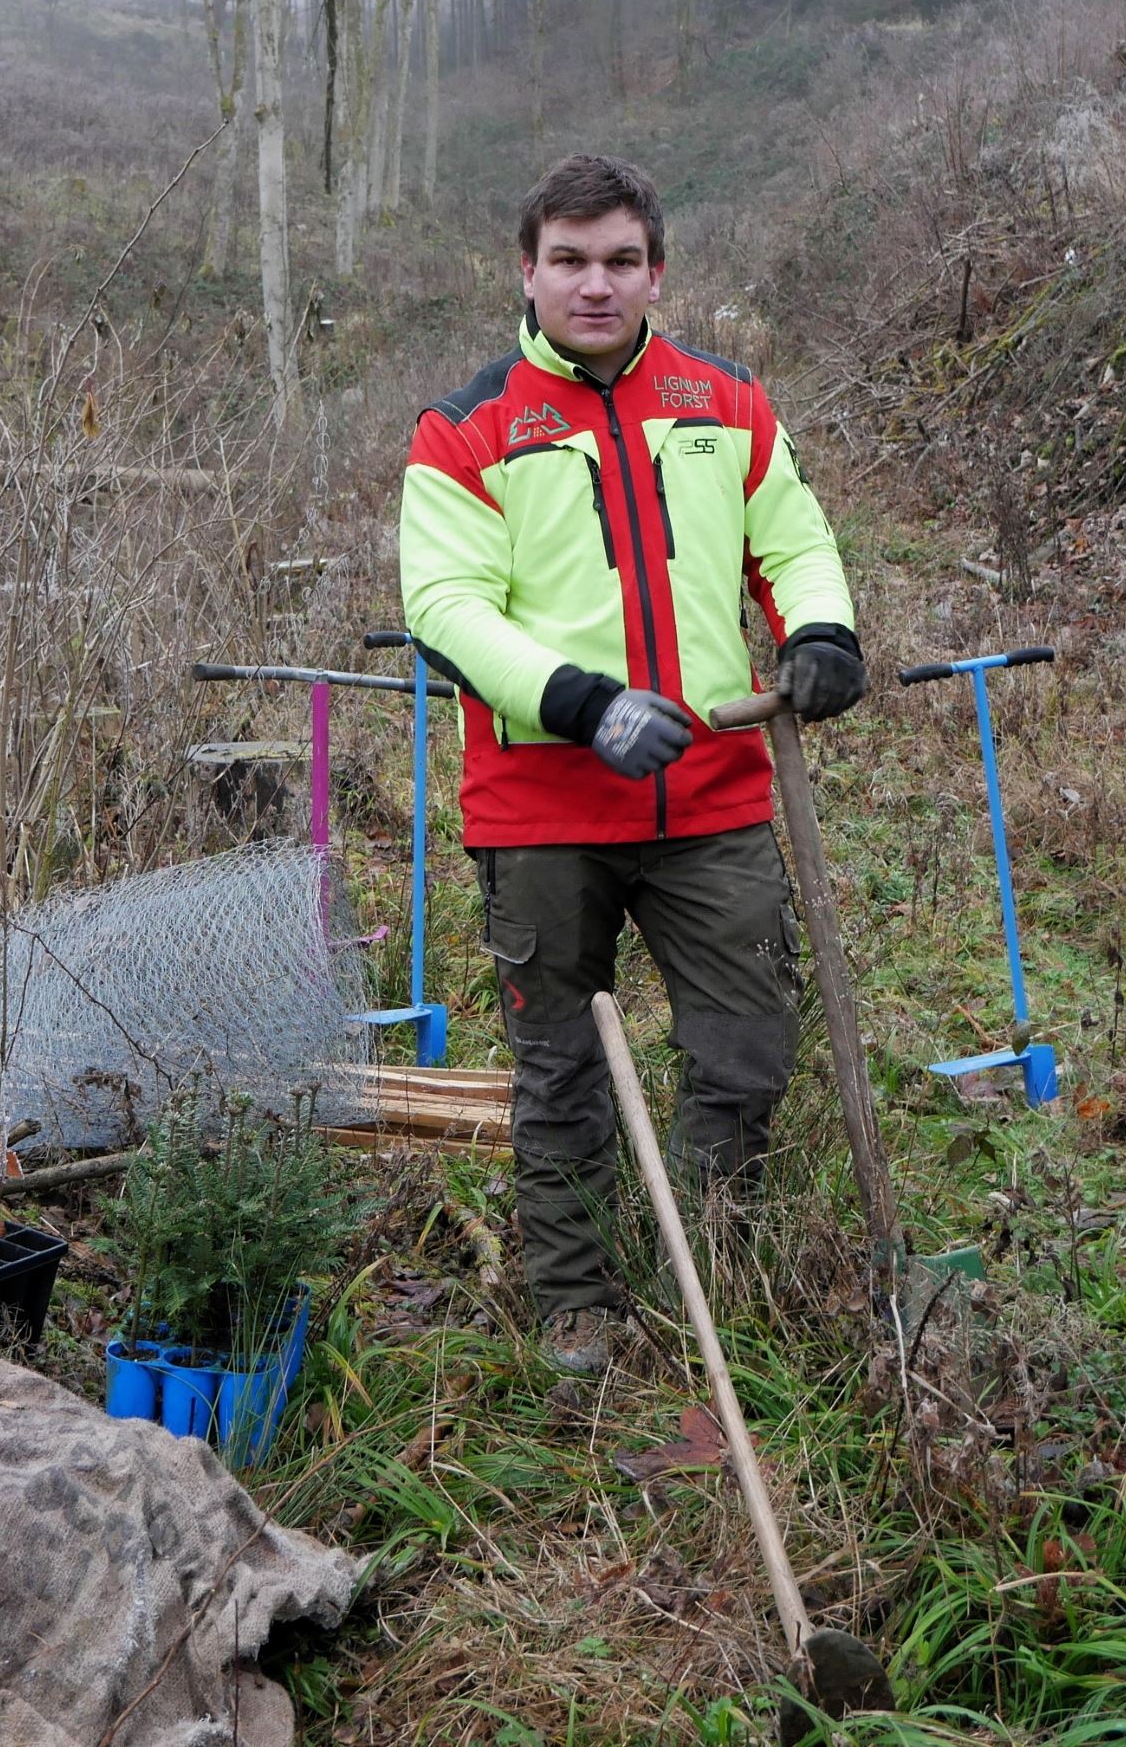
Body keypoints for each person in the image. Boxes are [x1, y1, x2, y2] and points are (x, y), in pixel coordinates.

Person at [397, 154, 864, 1375]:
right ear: (527, 270)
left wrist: (820, 628)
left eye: (617, 261)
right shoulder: (465, 428)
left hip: (711, 799)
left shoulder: (726, 404)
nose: (593, 285)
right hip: (542, 812)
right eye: (567, 260)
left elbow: (795, 537)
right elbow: (446, 606)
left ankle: (713, 1271)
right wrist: (581, 703)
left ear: (656, 269)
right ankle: (575, 1306)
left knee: (746, 1048)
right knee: (558, 1069)